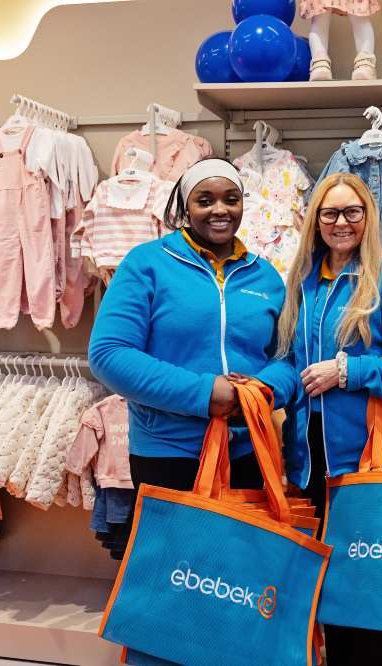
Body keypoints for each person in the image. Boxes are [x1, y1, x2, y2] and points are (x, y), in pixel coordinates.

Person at [88, 158, 296, 547]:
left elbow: (287, 357)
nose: (220, 210)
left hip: (249, 450)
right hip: (169, 452)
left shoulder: (265, 275)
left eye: (230, 199)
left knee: (240, 569)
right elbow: (109, 353)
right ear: (186, 207)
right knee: (178, 571)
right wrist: (205, 393)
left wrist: (264, 390)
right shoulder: (147, 264)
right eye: (205, 200)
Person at [276, 172, 382, 665]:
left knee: (365, 596)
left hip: (369, 465)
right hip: (308, 466)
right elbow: (290, 362)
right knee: (319, 588)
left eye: (351, 212)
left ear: (368, 217)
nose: (340, 222)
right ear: (315, 220)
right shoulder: (302, 281)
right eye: (330, 213)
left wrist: (348, 371)